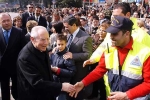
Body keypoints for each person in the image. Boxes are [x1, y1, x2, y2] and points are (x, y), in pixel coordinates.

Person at [70, 16, 150, 100]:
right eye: (110, 33)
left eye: (115, 34)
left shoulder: (145, 53)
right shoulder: (110, 49)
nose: (111, 37)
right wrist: (83, 83)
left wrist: (127, 95)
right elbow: (100, 69)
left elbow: (148, 83)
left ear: (127, 34)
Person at [17, 26, 75, 100]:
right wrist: (61, 86)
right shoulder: (25, 57)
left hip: (46, 93)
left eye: (48, 39)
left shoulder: (41, 48)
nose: (46, 43)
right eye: (43, 40)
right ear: (32, 39)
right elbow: (36, 83)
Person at [83, 2, 150, 67]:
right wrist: (93, 59)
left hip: (129, 75)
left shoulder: (142, 35)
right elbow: (104, 46)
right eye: (113, 16)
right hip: (110, 75)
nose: (114, 19)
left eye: (117, 16)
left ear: (128, 15)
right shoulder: (112, 31)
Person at [63, 15, 93, 100]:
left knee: (76, 95)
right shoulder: (69, 35)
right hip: (69, 70)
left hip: (79, 73)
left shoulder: (85, 38)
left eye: (67, 27)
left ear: (74, 25)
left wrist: (73, 56)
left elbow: (88, 55)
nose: (65, 29)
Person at [0, 13, 26, 100]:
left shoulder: (19, 32)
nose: (6, 23)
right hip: (2, 67)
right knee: (4, 89)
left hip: (16, 66)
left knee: (16, 89)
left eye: (8, 20)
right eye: (4, 21)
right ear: (0, 22)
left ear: (11, 21)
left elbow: (24, 50)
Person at [50, 34, 76, 100]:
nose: (60, 46)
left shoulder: (67, 56)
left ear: (66, 43)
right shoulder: (54, 54)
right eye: (59, 44)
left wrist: (58, 70)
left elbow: (72, 72)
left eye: (62, 44)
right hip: (54, 83)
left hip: (63, 84)